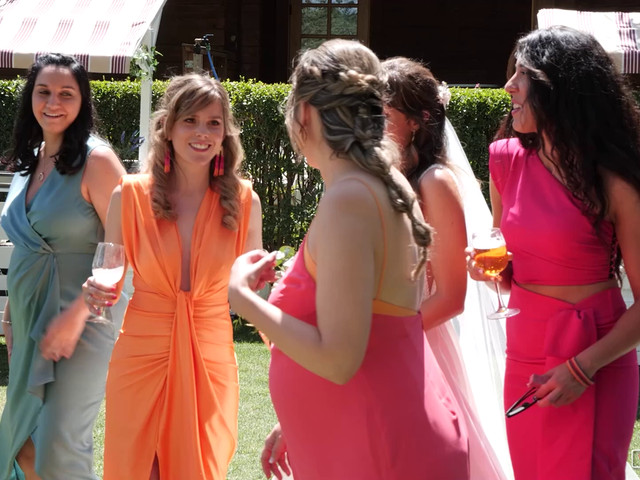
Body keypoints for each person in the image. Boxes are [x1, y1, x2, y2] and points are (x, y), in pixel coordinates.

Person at [228, 39, 469, 480]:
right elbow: (374, 334)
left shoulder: (352, 198)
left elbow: (340, 359)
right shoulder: (377, 186)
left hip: (376, 447)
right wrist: (301, 421)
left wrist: (244, 301)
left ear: (303, 113)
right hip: (370, 433)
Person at [468, 26, 640, 480]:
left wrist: (582, 369)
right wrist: (493, 271)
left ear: (559, 88)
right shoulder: (503, 158)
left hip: (597, 353)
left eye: (523, 75)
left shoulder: (613, 180)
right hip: (525, 346)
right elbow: (507, 252)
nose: (509, 86)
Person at [83, 73, 262, 480]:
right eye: (190, 120)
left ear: (225, 133)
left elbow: (251, 292)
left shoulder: (245, 200)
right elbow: (108, 274)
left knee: (198, 468)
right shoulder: (128, 195)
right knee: (140, 469)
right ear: (168, 127)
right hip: (141, 350)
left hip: (210, 350)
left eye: (213, 122)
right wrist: (96, 291)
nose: (202, 133)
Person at [382, 56, 512, 480]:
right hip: (383, 337)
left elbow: (453, 297)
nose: (368, 122)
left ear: (416, 122)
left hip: (420, 342)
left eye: (381, 112)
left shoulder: (434, 181)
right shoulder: (381, 178)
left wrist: (387, 335)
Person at [0, 53, 127, 480]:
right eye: (44, 91)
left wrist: (77, 318)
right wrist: (10, 317)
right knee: (23, 445)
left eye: (66, 94)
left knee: (59, 445)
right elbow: (25, 246)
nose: (53, 102)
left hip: (85, 321)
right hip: (28, 318)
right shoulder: (29, 159)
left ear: (82, 102)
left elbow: (124, 253)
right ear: (30, 97)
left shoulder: (99, 161)